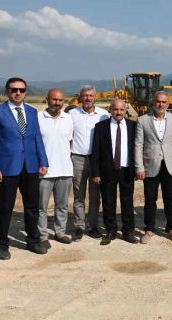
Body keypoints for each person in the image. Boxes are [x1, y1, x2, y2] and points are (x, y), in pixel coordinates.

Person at [0, 77, 49, 259]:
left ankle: (33, 241)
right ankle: (2, 245)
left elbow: (37, 137)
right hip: (8, 167)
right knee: (5, 207)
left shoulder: (32, 111)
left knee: (32, 206)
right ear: (7, 91)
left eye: (21, 90)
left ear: (25, 92)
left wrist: (43, 161)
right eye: (14, 90)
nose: (18, 93)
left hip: (30, 166)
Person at [91, 98, 138, 245]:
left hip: (127, 170)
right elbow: (96, 150)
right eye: (116, 109)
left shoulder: (133, 126)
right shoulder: (101, 127)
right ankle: (110, 231)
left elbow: (137, 148)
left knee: (127, 202)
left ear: (125, 110)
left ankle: (128, 231)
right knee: (108, 202)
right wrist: (96, 172)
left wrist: (138, 168)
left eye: (121, 109)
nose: (118, 112)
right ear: (110, 110)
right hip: (107, 170)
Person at [135, 91, 172, 243]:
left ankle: (171, 229)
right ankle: (149, 229)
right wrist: (139, 167)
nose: (161, 104)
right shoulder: (143, 120)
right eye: (158, 101)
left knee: (170, 200)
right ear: (153, 103)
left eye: (164, 102)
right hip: (150, 165)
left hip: (169, 165)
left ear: (168, 104)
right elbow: (138, 145)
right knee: (150, 200)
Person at [68, 85, 109, 240]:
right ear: (80, 97)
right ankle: (79, 226)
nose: (88, 98)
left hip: (96, 160)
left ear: (95, 97)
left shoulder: (104, 115)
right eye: (85, 95)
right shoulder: (72, 114)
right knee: (79, 195)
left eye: (91, 95)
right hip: (77, 158)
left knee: (95, 196)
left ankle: (93, 226)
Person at [37, 88, 74, 248]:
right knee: (41, 207)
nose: (57, 103)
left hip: (65, 169)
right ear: (47, 99)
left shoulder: (68, 119)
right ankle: (42, 235)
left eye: (60, 100)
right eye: (54, 99)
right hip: (44, 171)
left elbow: (70, 141)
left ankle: (60, 232)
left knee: (62, 205)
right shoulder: (38, 118)